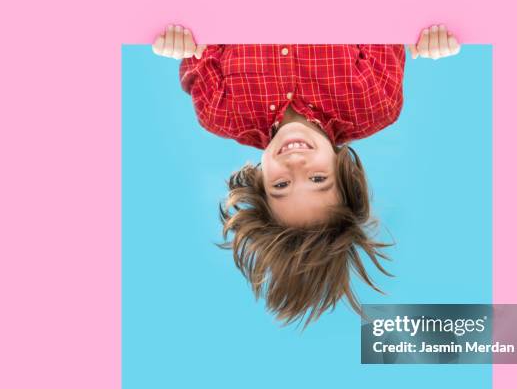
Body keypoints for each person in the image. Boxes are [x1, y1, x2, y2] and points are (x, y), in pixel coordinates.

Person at [152, 28, 461, 326]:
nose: (296, 163)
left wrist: (177, 37)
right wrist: (431, 33)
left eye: (281, 185)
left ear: (261, 184)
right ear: (342, 175)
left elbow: (196, 28)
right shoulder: (374, 101)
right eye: (317, 179)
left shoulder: (220, 110)